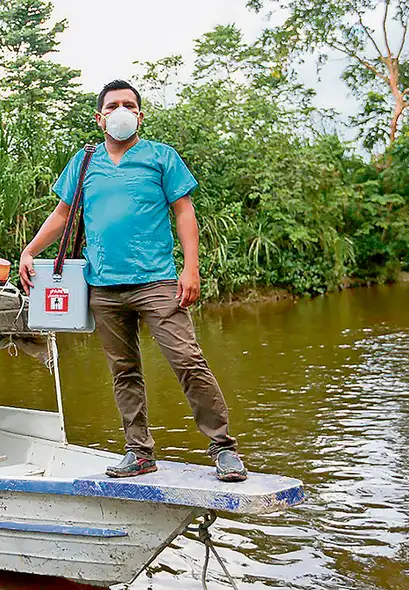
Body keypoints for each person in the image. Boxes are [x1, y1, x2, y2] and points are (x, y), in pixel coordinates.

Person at [18, 80, 247, 482]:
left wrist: (190, 268)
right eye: (113, 105)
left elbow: (184, 213)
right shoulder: (85, 162)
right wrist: (30, 250)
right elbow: (61, 214)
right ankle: (139, 452)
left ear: (139, 115)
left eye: (129, 104)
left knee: (188, 362)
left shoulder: (161, 157)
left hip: (157, 282)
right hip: (102, 286)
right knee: (124, 371)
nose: (121, 110)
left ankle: (223, 448)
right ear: (100, 116)